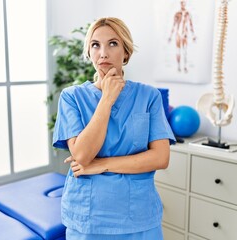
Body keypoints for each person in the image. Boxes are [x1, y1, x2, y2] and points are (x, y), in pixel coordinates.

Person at [52, 17, 176, 240]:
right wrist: (107, 100)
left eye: (113, 43)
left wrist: (102, 165)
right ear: (89, 53)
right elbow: (81, 154)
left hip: (139, 218)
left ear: (126, 52)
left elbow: (160, 157)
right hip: (89, 219)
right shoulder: (71, 97)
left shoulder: (149, 96)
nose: (103, 53)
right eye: (95, 45)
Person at [168, 0, 196, 73]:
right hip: (178, 34)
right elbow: (174, 25)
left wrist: (193, 35)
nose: (183, 5)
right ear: (180, 4)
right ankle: (178, 66)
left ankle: (185, 66)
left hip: (185, 34)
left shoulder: (188, 14)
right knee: (178, 51)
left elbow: (191, 25)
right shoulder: (177, 14)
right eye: (182, 3)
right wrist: (170, 36)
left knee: (185, 51)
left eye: (184, 3)